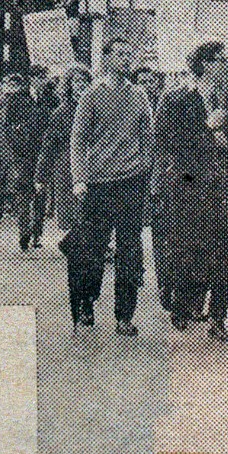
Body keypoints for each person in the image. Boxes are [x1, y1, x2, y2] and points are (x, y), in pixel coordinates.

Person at [154, 41, 228, 341]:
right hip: (190, 186)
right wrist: (207, 129)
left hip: (226, 186)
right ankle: (182, 304)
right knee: (187, 248)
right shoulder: (178, 99)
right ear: (204, 64)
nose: (226, 66)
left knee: (226, 250)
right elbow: (171, 142)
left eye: (226, 60)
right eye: (220, 60)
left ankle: (218, 318)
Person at [68, 39, 154, 336]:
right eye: (120, 54)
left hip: (130, 182)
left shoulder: (140, 94)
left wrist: (143, 167)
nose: (126, 59)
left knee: (130, 248)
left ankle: (124, 315)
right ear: (106, 59)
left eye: (129, 54)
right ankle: (86, 302)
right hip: (98, 183)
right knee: (93, 247)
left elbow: (148, 136)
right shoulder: (92, 95)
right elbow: (78, 140)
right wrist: (79, 179)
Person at [0, 71, 45, 249]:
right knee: (31, 192)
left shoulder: (13, 106)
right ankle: (31, 231)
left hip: (24, 155)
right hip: (28, 154)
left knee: (25, 193)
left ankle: (27, 230)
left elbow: (1, 134)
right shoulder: (26, 103)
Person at [35, 65, 93, 235]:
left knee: (91, 211)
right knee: (71, 212)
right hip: (66, 167)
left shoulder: (97, 109)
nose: (81, 85)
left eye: (85, 81)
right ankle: (76, 247)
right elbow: (49, 146)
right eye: (77, 81)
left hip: (91, 165)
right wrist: (41, 176)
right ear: (69, 85)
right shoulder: (61, 113)